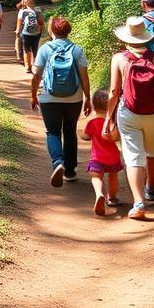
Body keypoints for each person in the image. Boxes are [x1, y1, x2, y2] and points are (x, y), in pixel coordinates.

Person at [104, 16, 154, 220]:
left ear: (126, 37)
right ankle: (151, 186)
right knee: (153, 151)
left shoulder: (119, 58)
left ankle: (138, 203)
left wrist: (109, 117)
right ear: (146, 37)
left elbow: (114, 91)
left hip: (129, 113)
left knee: (133, 156)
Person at [30, 16, 91, 187]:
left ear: (52, 31)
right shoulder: (77, 50)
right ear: (68, 31)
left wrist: (33, 95)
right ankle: (70, 171)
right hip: (74, 98)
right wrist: (87, 98)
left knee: (52, 132)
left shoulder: (45, 49)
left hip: (49, 98)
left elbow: (36, 75)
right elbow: (84, 77)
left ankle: (58, 163)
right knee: (70, 131)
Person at [85, 89, 123, 216]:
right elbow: (117, 137)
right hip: (113, 156)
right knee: (113, 176)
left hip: (97, 157)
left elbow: (86, 136)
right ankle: (112, 198)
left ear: (94, 107)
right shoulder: (112, 123)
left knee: (96, 177)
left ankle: (99, 194)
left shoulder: (92, 123)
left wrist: (82, 135)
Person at [15, 0, 44, 75]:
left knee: (28, 49)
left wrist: (17, 31)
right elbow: (41, 22)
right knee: (32, 49)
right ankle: (32, 66)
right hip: (34, 33)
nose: (31, 3)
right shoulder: (36, 10)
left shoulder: (23, 11)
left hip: (27, 33)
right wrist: (40, 30)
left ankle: (29, 67)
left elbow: (19, 22)